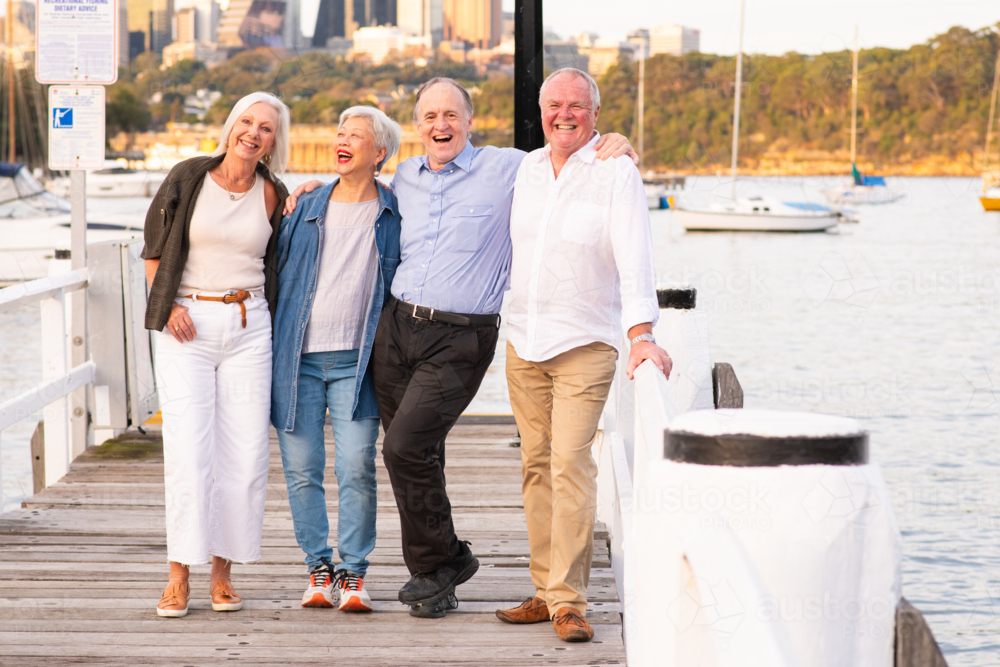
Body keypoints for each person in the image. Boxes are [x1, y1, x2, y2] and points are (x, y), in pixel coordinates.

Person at [286, 77, 636, 618]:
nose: (440, 125)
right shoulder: (402, 177)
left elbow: (569, 148)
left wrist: (613, 139)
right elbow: (355, 192)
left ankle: (446, 558)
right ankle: (432, 580)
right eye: (429, 117)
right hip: (397, 328)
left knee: (403, 446)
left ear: (470, 122)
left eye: (451, 115)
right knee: (418, 455)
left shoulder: (512, 168)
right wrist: (312, 186)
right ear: (418, 125)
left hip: (461, 335)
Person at [495, 68, 672, 642]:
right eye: (554, 105)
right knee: (535, 467)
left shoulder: (615, 170)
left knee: (571, 463)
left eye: (576, 105)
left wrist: (641, 331)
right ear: (540, 112)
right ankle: (546, 590)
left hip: (584, 344)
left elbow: (634, 257)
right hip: (523, 340)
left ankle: (570, 602)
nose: (564, 114)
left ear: (595, 113)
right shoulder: (525, 169)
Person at [141, 92, 290, 618]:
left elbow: (286, 254)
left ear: (275, 141)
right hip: (188, 324)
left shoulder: (274, 192)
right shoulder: (188, 177)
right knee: (188, 449)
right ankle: (179, 573)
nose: (253, 132)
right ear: (231, 127)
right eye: (246, 121)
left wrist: (306, 194)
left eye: (266, 128)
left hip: (251, 326)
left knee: (246, 452)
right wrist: (168, 309)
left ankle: (222, 574)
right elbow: (154, 252)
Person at [270, 106, 402, 613]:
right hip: (297, 359)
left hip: (359, 362)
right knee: (302, 470)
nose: (342, 141)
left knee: (355, 468)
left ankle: (353, 572)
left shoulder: (394, 213)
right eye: (339, 133)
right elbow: (270, 270)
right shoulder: (303, 206)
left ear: (379, 153)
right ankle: (317, 569)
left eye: (356, 136)